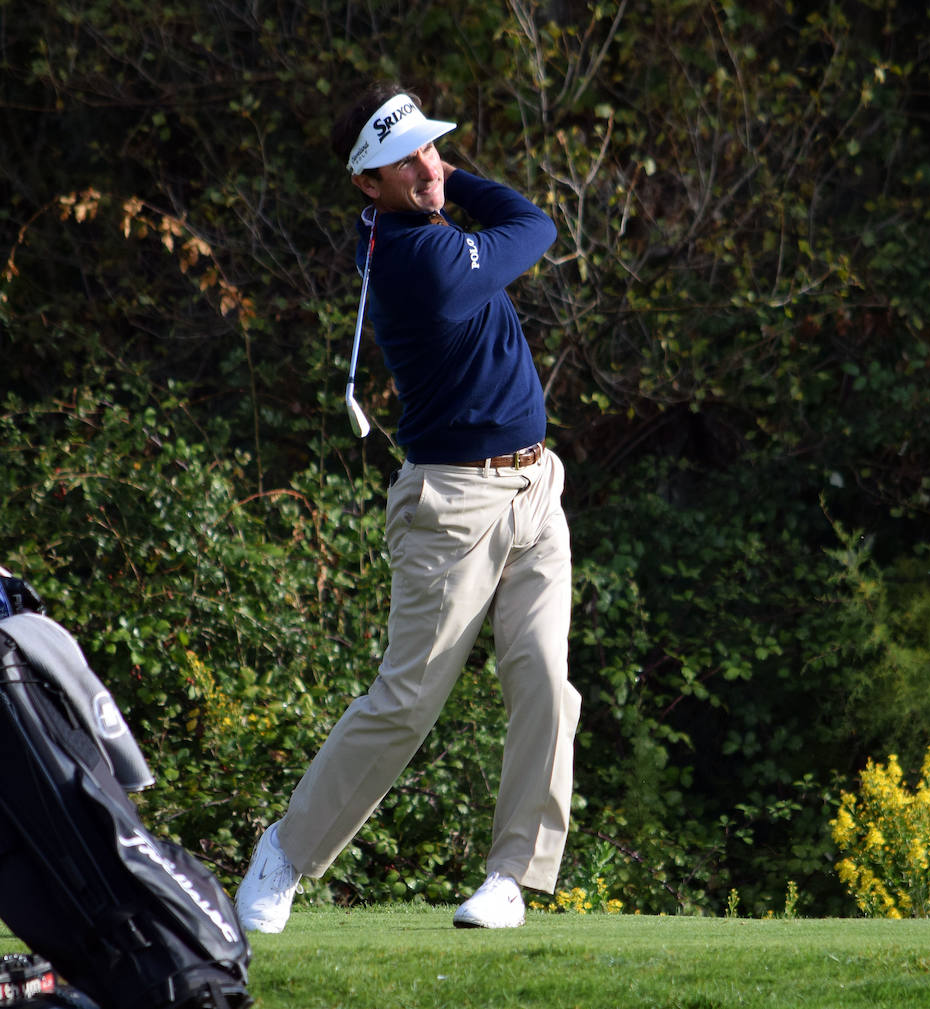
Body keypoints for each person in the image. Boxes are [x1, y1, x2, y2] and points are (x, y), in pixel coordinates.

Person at [234, 83, 581, 932]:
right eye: (407, 158)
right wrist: (454, 184)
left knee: (544, 678)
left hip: (538, 484)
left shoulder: (417, 224)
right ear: (367, 183)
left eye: (433, 147)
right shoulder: (416, 263)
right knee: (407, 699)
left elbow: (517, 217)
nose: (429, 164)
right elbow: (536, 225)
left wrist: (436, 177)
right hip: (453, 506)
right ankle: (284, 852)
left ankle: (511, 878)